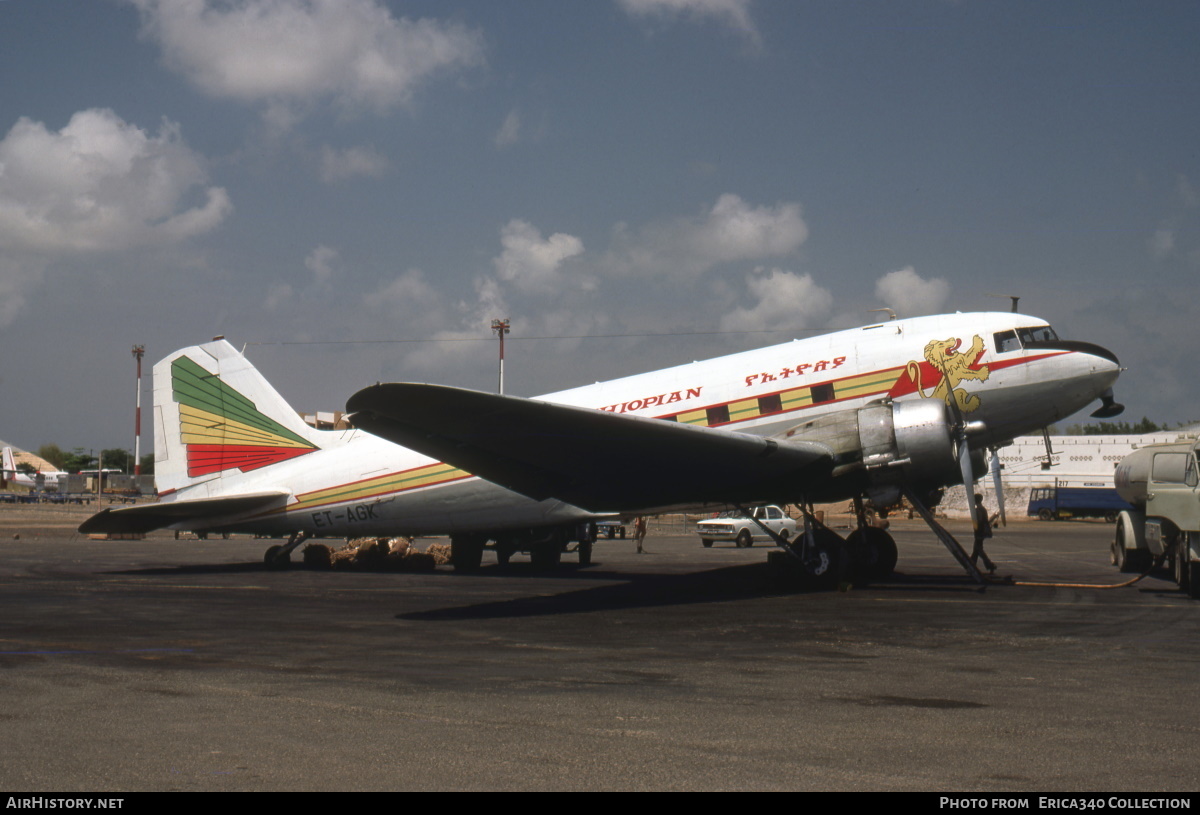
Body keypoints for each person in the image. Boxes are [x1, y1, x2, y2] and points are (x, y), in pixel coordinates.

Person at [971, 493, 997, 574]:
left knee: (979, 550)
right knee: (976, 550)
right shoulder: (983, 509)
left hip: (979, 532)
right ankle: (971, 566)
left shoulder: (978, 509)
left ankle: (990, 565)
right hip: (982, 531)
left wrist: (977, 530)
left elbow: (979, 521)